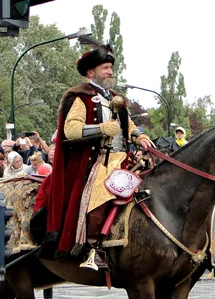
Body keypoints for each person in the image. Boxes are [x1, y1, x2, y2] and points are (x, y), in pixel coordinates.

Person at [34, 44, 152, 271]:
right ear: (91, 73)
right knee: (102, 192)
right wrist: (101, 129)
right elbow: (71, 130)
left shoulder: (116, 98)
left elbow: (129, 127)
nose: (110, 72)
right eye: (105, 68)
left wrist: (141, 137)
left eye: (110, 68)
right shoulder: (80, 97)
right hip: (95, 162)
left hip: (122, 158)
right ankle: (93, 247)